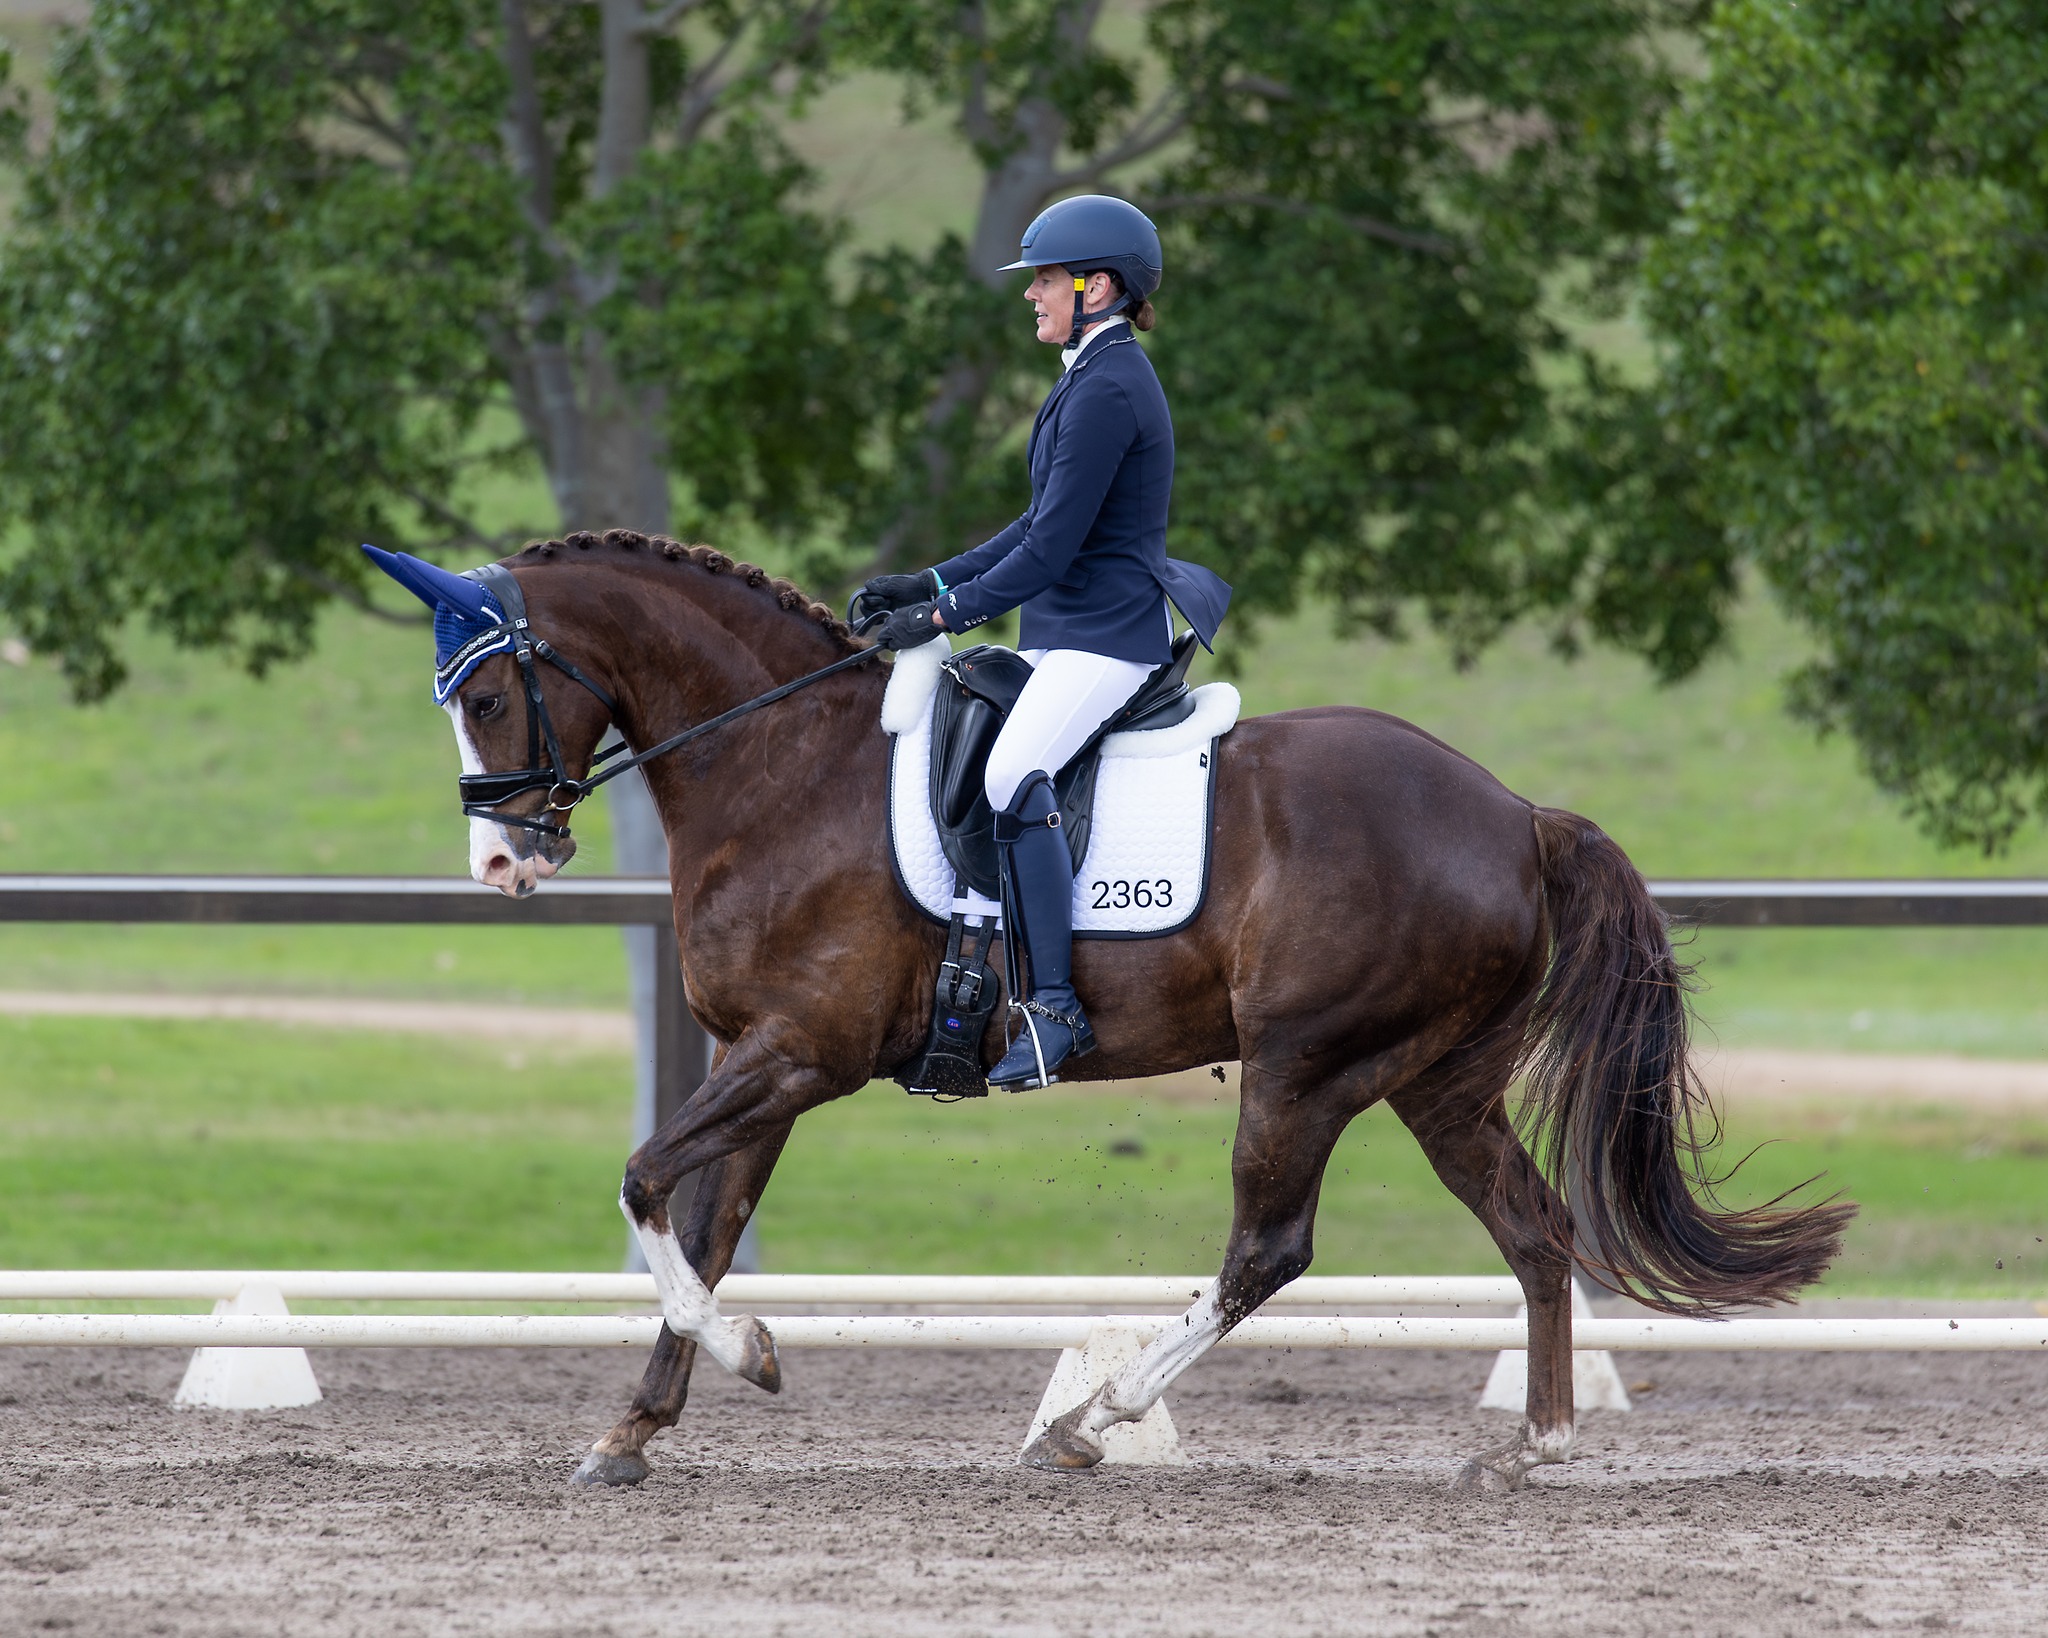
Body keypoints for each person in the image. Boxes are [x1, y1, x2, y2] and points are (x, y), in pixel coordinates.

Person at [864, 194, 1231, 1090]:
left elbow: (1050, 552)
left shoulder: (1109, 388)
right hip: (1068, 635)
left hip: (1107, 641)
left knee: (1008, 775)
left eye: (1044, 279)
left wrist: (944, 620)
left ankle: (1057, 1006)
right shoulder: (1086, 376)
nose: (1031, 295)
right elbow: (1032, 526)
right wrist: (932, 584)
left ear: (1095, 286)